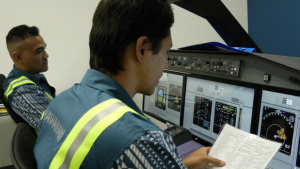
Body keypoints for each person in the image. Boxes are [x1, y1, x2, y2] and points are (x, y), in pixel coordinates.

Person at [34, 0, 225, 168]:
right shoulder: (142, 141)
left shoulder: (60, 102)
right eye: (167, 51)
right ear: (142, 49)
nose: (166, 63)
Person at [3, 25, 55, 131]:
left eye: (44, 49)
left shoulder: (34, 78)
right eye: (39, 51)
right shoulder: (22, 90)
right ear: (18, 57)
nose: (46, 55)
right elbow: (56, 127)